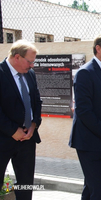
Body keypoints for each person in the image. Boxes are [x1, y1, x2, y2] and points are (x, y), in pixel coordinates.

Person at [69, 33, 101, 200]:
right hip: (89, 142)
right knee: (100, 189)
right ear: (98, 49)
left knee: (91, 188)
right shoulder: (85, 73)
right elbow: (84, 111)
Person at [0, 40, 42, 200]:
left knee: (25, 185)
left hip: (27, 140)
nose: (32, 65)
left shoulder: (30, 74)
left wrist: (34, 124)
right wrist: (12, 130)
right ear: (17, 57)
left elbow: (37, 101)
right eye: (30, 61)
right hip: (3, 138)